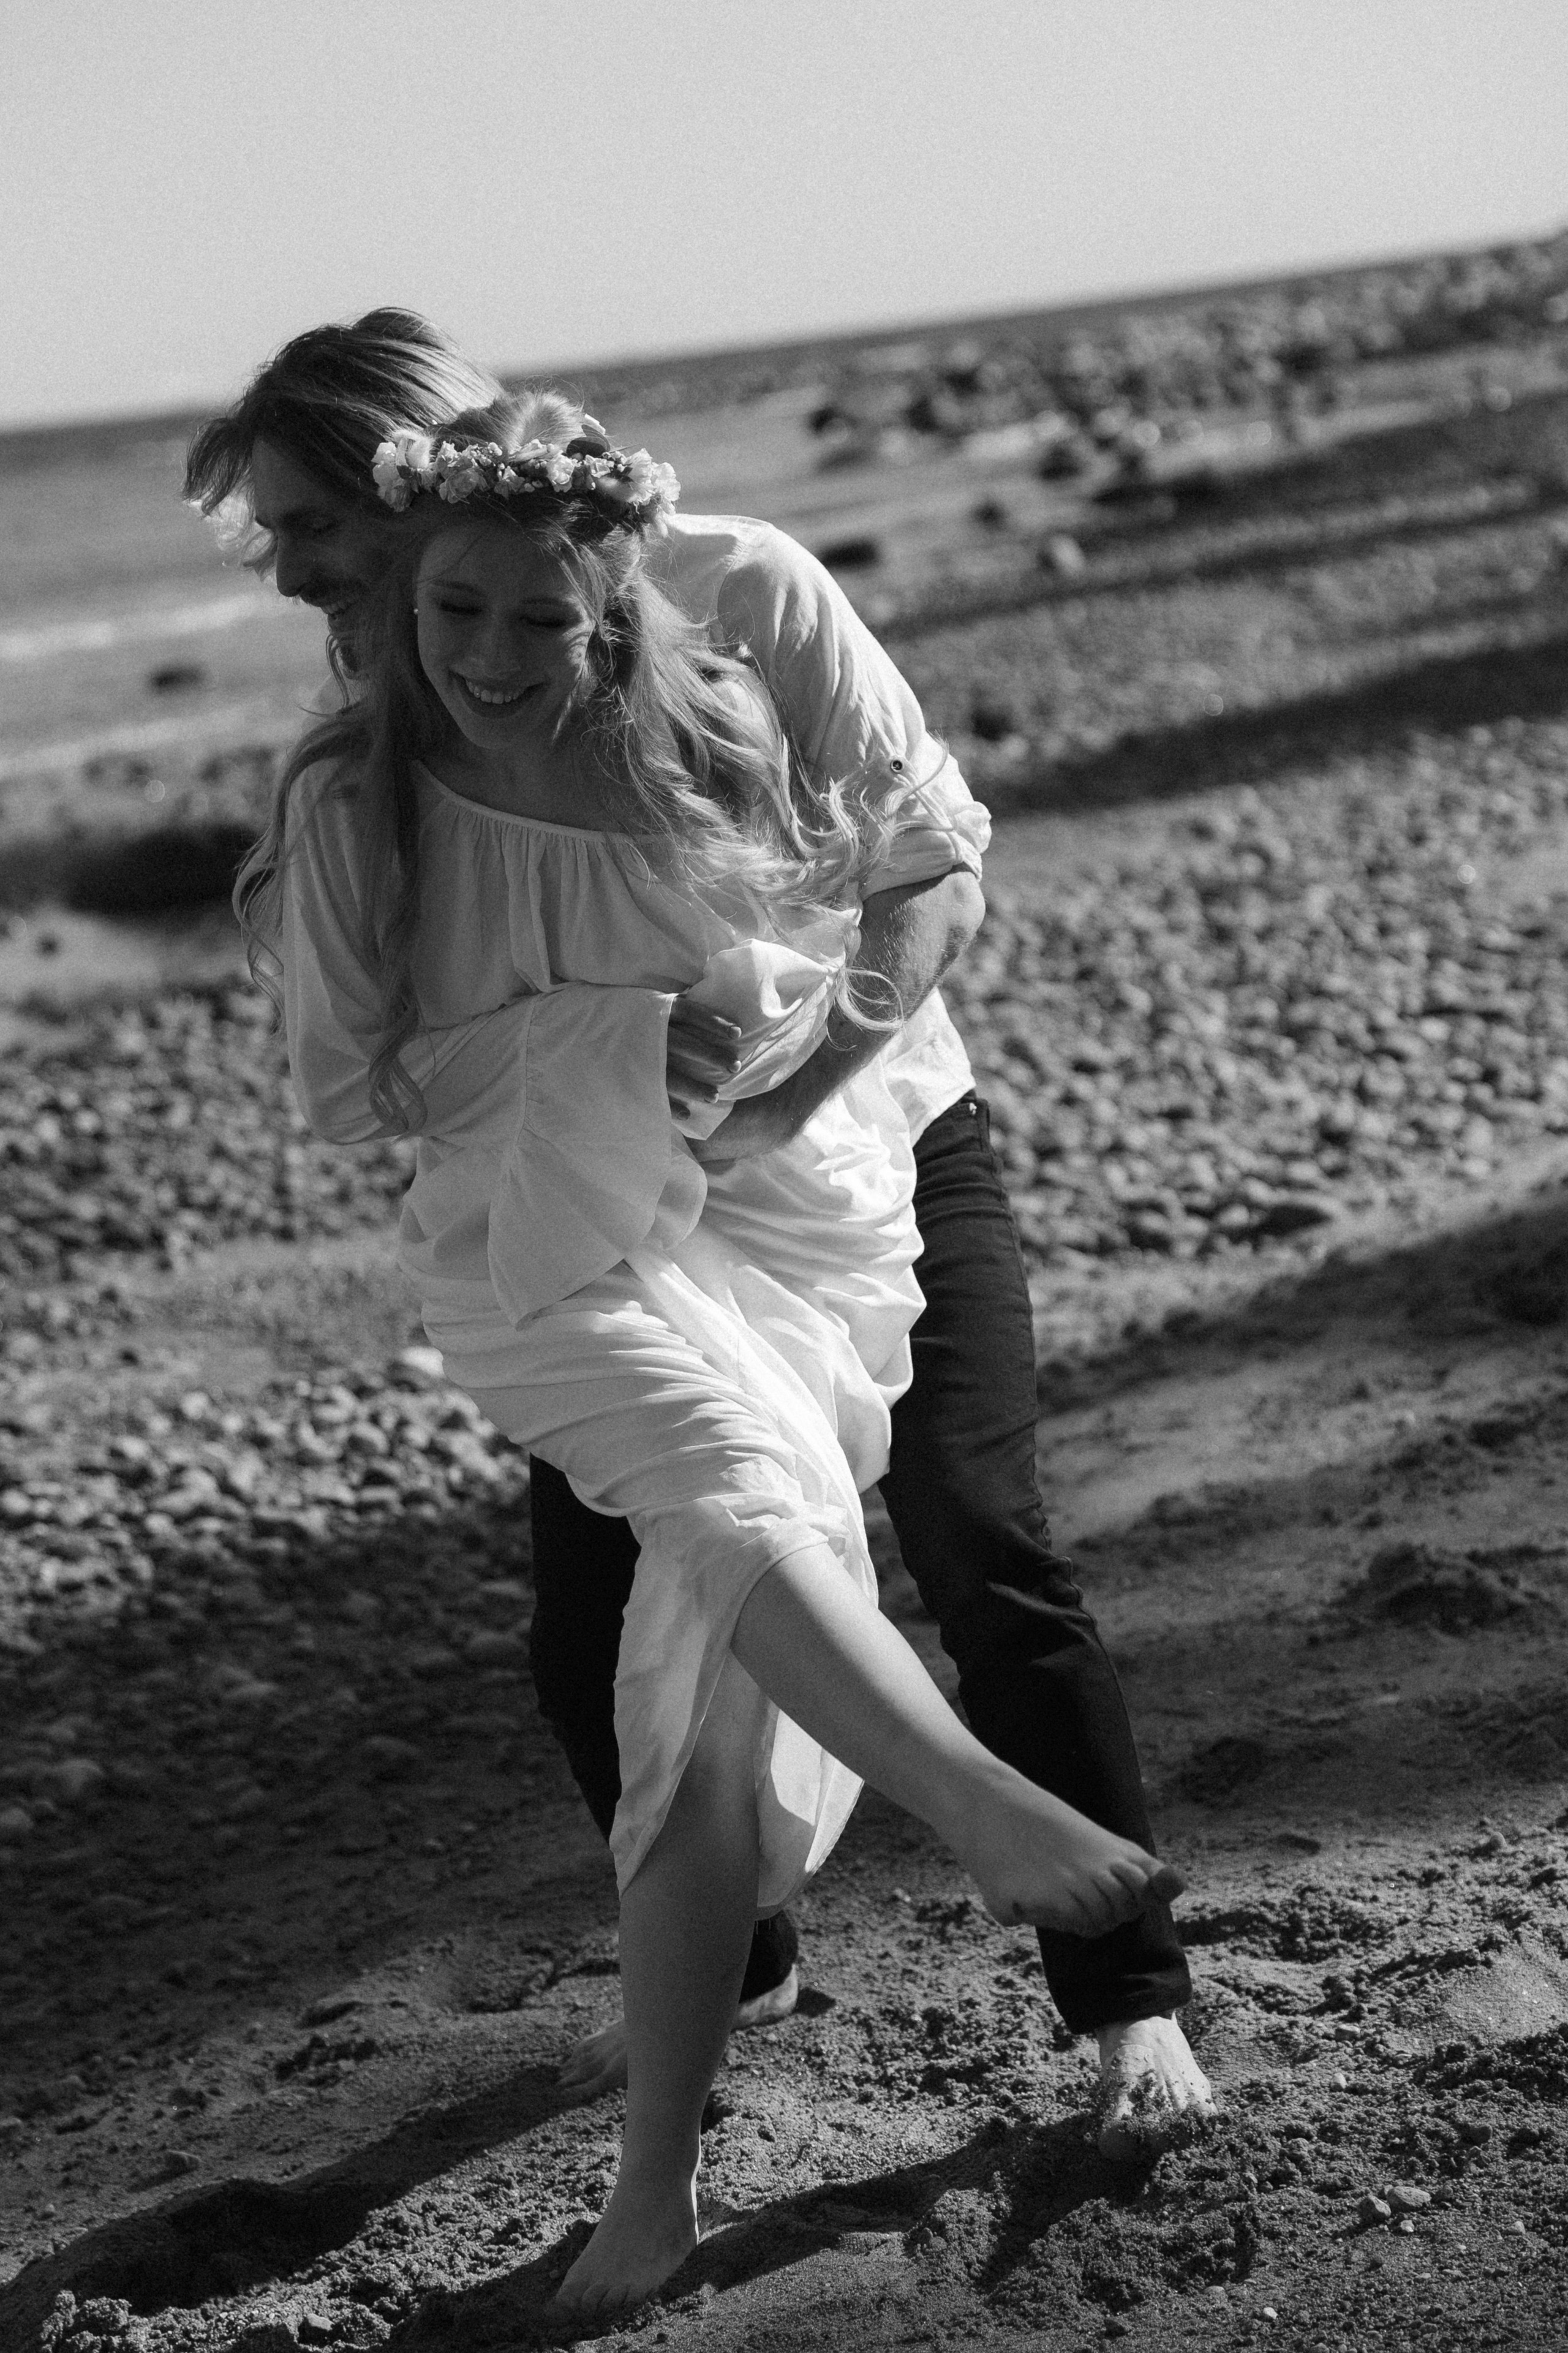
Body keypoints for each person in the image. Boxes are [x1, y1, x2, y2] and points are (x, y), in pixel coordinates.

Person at [187, 314, 1214, 2161]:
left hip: (877, 1146)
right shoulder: (393, 715)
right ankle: (737, 1965)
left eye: (302, 523)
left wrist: (789, 1099)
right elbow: (381, 1058)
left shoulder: (742, 582)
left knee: (986, 1544)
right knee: (590, 1632)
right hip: (618, 1225)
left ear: (412, 475)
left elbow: (931, 858)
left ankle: (1128, 1996)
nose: (288, 570)